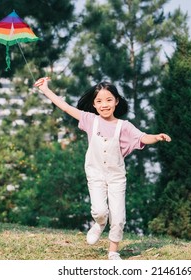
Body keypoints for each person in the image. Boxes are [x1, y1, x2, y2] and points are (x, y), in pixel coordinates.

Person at [33, 77, 171, 260]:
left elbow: (143, 137)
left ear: (116, 101)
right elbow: (66, 107)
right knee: (99, 211)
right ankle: (99, 224)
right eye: (99, 101)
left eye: (108, 100)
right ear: (94, 104)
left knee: (119, 217)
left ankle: (113, 251)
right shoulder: (91, 120)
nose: (104, 104)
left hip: (116, 177)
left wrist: (157, 137)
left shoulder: (124, 126)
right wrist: (46, 89)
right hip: (95, 174)